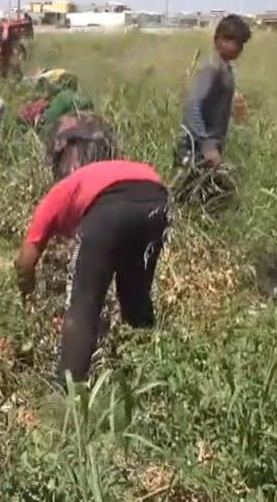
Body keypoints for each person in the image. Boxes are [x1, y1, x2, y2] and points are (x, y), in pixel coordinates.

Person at [16, 157, 169, 383]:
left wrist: (25, 292)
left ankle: (67, 395)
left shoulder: (54, 197)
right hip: (157, 200)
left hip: (110, 203)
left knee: (83, 303)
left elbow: (24, 263)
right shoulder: (84, 183)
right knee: (135, 298)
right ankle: (146, 381)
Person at [175, 14, 251, 168]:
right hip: (196, 150)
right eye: (235, 42)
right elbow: (192, 105)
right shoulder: (212, 68)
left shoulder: (224, 67)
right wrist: (206, 144)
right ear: (219, 40)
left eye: (241, 44)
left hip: (208, 148)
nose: (239, 48)